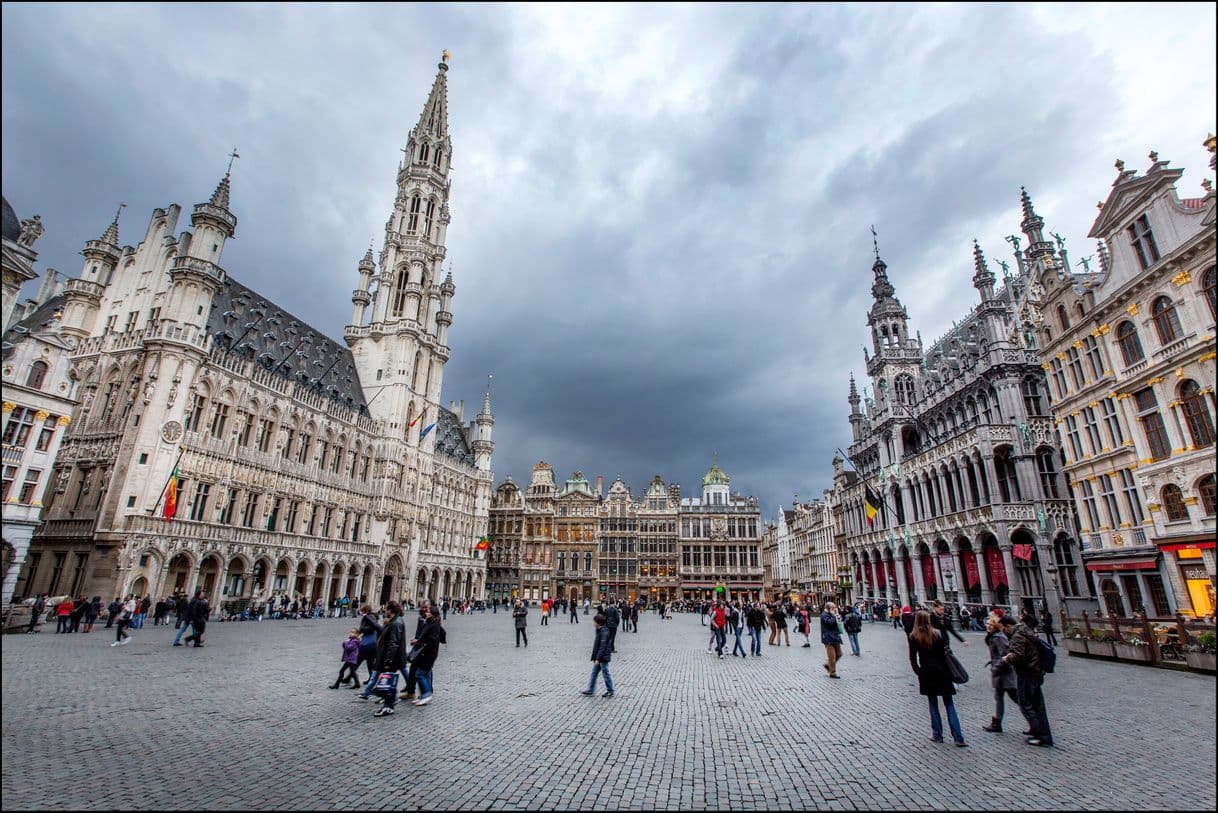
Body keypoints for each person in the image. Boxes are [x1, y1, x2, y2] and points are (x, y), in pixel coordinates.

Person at [907, 611, 967, 747]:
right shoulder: (937, 634)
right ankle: (958, 737)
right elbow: (944, 654)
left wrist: (919, 672)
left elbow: (912, 658)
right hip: (942, 671)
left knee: (933, 704)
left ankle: (937, 734)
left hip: (927, 673)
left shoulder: (913, 636)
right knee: (949, 704)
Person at [1001, 612, 1053, 747]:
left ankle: (1038, 733)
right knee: (1038, 705)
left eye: (1004, 629)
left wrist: (1007, 658)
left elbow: (1018, 656)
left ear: (1008, 626)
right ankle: (1045, 735)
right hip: (1035, 672)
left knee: (1025, 703)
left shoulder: (1018, 636)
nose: (1004, 632)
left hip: (1027, 673)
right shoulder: (1026, 631)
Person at [982, 614, 1018, 733]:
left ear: (995, 626)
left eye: (990, 624)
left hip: (1005, 673)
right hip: (999, 673)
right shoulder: (993, 637)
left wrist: (996, 666)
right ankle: (997, 723)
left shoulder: (999, 637)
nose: (988, 626)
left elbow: (1006, 655)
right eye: (987, 624)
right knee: (999, 697)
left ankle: (1034, 720)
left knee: (1016, 698)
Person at [372, 601, 406, 717]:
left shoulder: (396, 623)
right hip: (390, 657)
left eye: (386, 609)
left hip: (391, 658)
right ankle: (390, 702)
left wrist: (388, 661)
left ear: (391, 611)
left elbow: (393, 643)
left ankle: (388, 706)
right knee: (387, 683)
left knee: (386, 683)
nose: (385, 611)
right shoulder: (394, 621)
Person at [409, 608, 445, 706]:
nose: (427, 612)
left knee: (419, 674)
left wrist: (421, 645)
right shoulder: (429, 623)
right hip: (426, 652)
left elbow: (431, 640)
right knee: (426, 673)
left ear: (433, 614)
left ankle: (426, 694)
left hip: (428, 653)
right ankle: (423, 695)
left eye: (429, 611)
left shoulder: (434, 625)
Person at [581, 613, 615, 698]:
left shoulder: (604, 632)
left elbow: (602, 647)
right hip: (600, 657)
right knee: (594, 673)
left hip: (602, 658)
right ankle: (591, 690)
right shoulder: (601, 630)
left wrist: (598, 659)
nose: (593, 624)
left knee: (606, 673)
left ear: (598, 623)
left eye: (594, 622)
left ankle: (610, 690)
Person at [820, 602, 844, 679]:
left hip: (835, 636)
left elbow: (838, 622)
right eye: (833, 608)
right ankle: (832, 673)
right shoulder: (824, 615)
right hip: (828, 638)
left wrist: (837, 617)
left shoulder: (832, 614)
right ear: (829, 608)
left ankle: (828, 665)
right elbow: (829, 623)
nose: (834, 609)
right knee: (832, 657)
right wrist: (834, 616)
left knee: (839, 654)